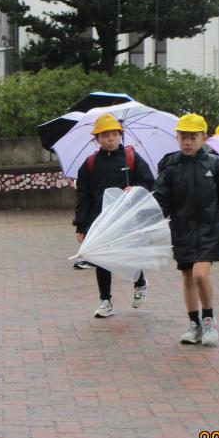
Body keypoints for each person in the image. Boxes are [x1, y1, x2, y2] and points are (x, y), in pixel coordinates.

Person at [153, 114, 219, 345]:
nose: (187, 142)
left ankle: (209, 320)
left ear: (203, 138)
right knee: (187, 276)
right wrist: (141, 203)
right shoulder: (170, 165)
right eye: (183, 137)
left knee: (200, 275)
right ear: (177, 137)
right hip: (181, 230)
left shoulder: (216, 165)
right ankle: (194, 324)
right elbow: (161, 201)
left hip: (210, 231)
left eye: (192, 137)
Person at [74, 113, 155, 317]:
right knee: (101, 259)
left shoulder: (131, 158)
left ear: (120, 135)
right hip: (100, 219)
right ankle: (105, 301)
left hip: (127, 219)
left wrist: (135, 188)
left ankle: (140, 283)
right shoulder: (90, 164)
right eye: (105, 135)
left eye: (114, 134)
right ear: (97, 139)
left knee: (127, 257)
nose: (110, 139)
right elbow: (83, 196)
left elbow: (149, 182)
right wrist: (81, 225)